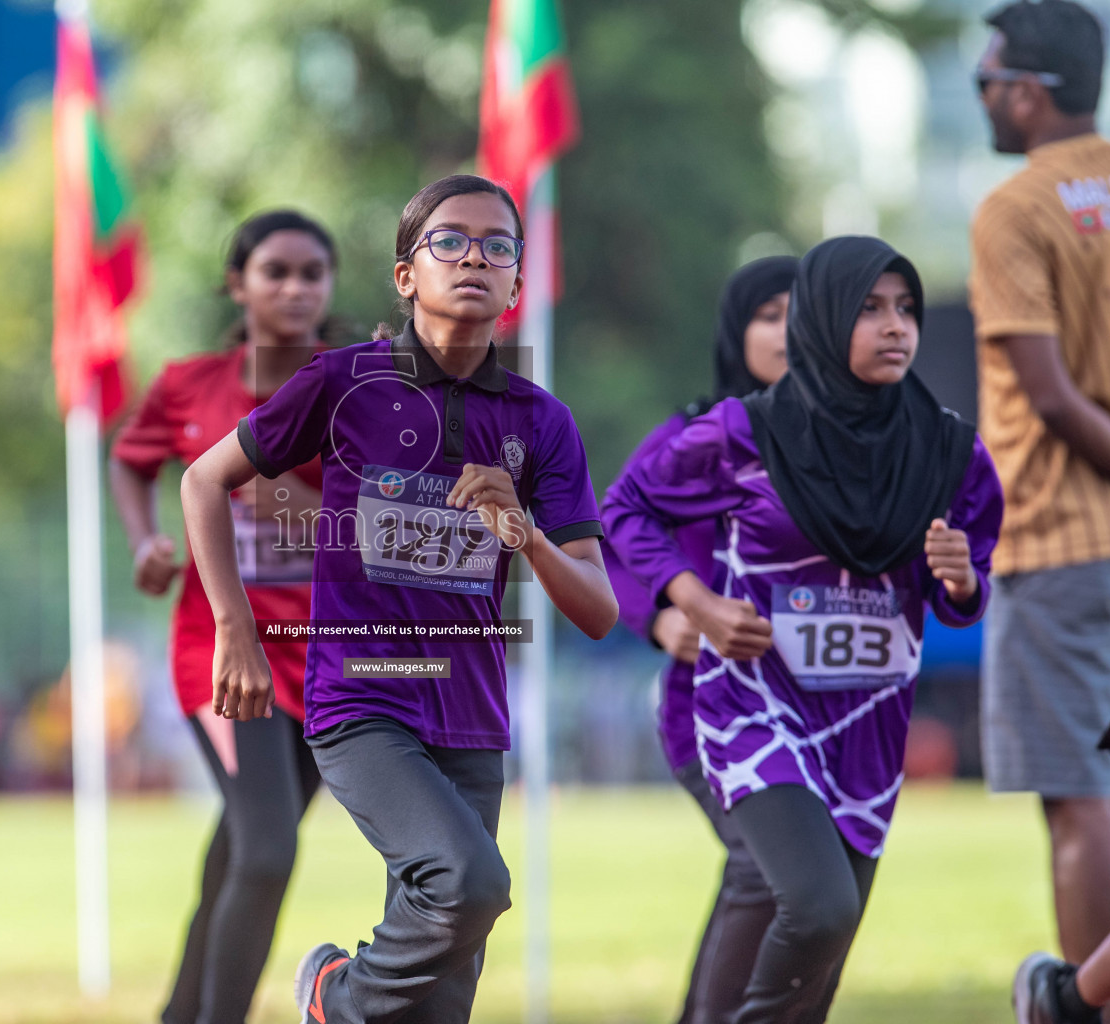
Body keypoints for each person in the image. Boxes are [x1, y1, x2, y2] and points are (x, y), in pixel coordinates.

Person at [180, 174, 618, 1024]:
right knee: (471, 882)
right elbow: (204, 481)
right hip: (361, 697)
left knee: (444, 994)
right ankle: (334, 995)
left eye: (498, 247)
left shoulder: (543, 421)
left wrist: (521, 530)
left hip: (473, 716)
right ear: (405, 275)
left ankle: (349, 1004)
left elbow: (598, 607)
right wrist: (235, 631)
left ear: (518, 285)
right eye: (448, 241)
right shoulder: (344, 382)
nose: (474, 259)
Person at [603, 236, 1003, 1023]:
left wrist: (960, 578)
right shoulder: (739, 432)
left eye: (907, 309)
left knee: (825, 945)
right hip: (752, 708)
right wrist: (693, 605)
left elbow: (964, 588)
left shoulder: (952, 450)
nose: (897, 328)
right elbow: (624, 508)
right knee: (813, 904)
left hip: (867, 722)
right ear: (829, 320)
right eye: (870, 309)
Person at [969, 5, 1110, 1015]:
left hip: (1060, 544)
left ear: (1031, 90)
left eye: (987, 81)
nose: (987, 98)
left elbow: (1047, 393)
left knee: (1080, 802)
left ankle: (1085, 1009)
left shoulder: (1018, 207)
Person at [108, 210, 336, 1024]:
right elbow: (131, 463)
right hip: (225, 654)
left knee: (244, 849)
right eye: (275, 270)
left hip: (329, 658)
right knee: (269, 849)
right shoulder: (187, 386)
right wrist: (146, 545)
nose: (296, 287)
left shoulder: (355, 383)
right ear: (237, 285)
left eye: (313, 272)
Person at [603, 255, 795, 1024]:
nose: (791, 332)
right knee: (763, 867)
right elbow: (606, 541)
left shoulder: (853, 442)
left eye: (807, 313)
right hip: (708, 709)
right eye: (771, 314)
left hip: (822, 711)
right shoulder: (692, 437)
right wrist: (660, 614)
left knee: (797, 885)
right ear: (735, 330)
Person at [1014, 456, 1110, 1024]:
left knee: (1090, 801)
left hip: (1067, 542)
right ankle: (1070, 1000)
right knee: (1086, 799)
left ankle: (1068, 1000)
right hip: (1061, 541)